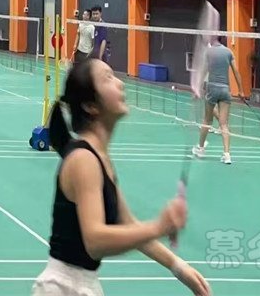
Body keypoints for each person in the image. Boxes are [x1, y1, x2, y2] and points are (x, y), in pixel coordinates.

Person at [34, 58, 211, 296]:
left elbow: (128, 224)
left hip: (83, 284)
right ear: (90, 106)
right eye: (107, 78)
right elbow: (95, 241)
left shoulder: (99, 157)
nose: (120, 83)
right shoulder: (83, 160)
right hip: (63, 287)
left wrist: (179, 267)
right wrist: (159, 227)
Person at [192, 35, 245, 165]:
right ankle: (227, 155)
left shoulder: (208, 52)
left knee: (207, 120)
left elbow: (203, 71)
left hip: (212, 89)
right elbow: (236, 72)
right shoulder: (228, 52)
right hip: (225, 90)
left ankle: (201, 149)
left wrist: (197, 88)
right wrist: (241, 91)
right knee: (224, 124)